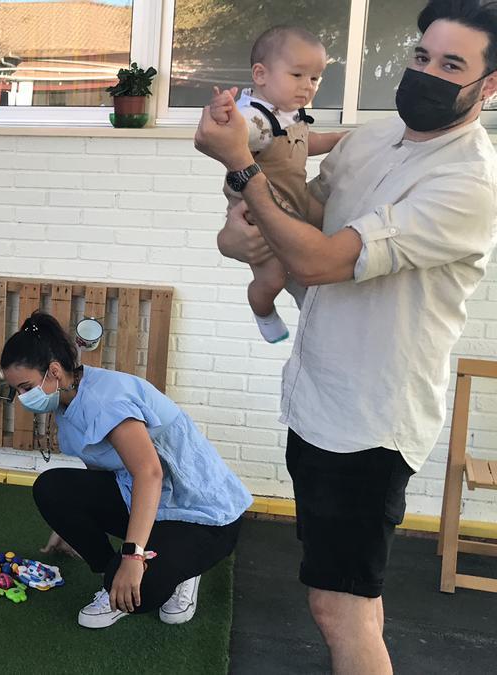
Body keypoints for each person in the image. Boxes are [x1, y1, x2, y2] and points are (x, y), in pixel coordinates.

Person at [196, 1, 497, 671]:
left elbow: (318, 259)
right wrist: (238, 231)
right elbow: (293, 218)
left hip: (370, 423)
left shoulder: (467, 182)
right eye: (422, 56)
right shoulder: (374, 138)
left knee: (340, 606)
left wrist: (241, 165)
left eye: (452, 65)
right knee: (347, 595)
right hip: (316, 400)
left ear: (489, 85)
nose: (427, 72)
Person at [0, 312, 252, 629]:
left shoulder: (107, 400)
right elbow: (100, 469)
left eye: (25, 388)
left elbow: (150, 473)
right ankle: (113, 577)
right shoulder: (66, 397)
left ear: (53, 372)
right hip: (154, 505)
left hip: (202, 514)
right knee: (52, 489)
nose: (22, 399)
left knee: (142, 595)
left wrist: (133, 558)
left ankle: (181, 570)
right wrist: (70, 522)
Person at [213, 26, 346, 343]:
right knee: (271, 278)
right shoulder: (254, 117)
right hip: (258, 214)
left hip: (293, 200)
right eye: (297, 75)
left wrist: (340, 139)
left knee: (331, 223)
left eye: (314, 78)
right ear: (261, 74)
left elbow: (302, 143)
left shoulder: (289, 113)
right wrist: (221, 118)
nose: (307, 87)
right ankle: (261, 308)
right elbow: (236, 136)